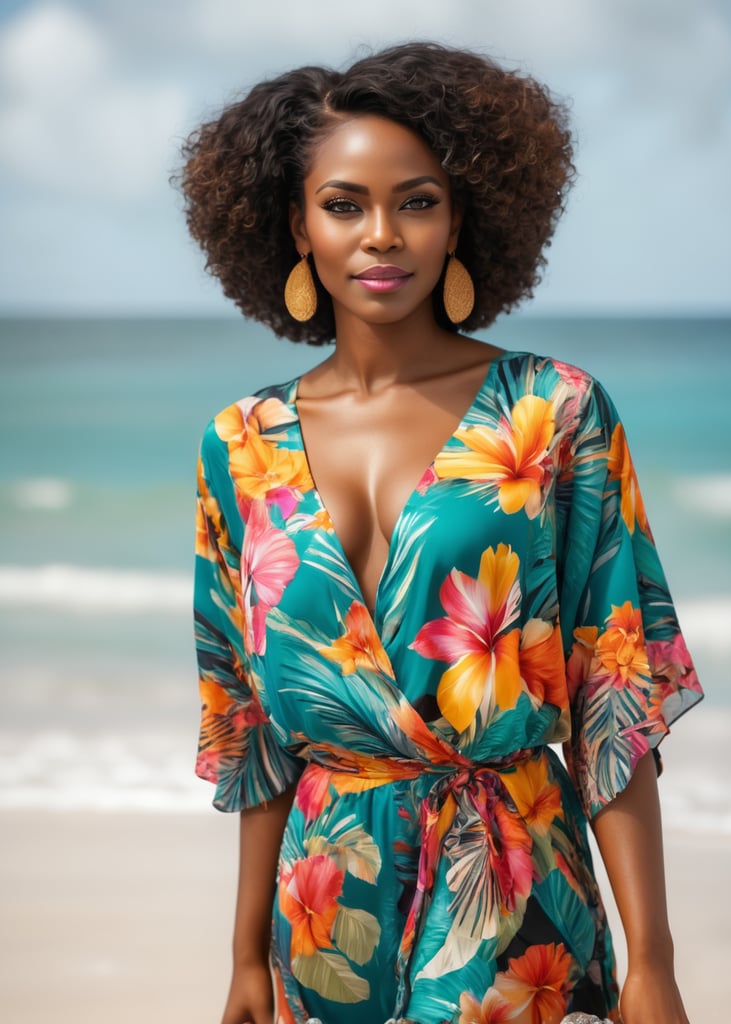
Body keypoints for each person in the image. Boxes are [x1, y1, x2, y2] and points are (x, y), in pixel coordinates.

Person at [180, 42, 703, 1024]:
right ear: (295, 225)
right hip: (322, 908)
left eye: (416, 202)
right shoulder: (237, 445)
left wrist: (654, 961)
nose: (383, 235)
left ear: (463, 217)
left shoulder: (554, 412)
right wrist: (245, 956)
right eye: (344, 205)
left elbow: (614, 703)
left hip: (512, 891)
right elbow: (246, 726)